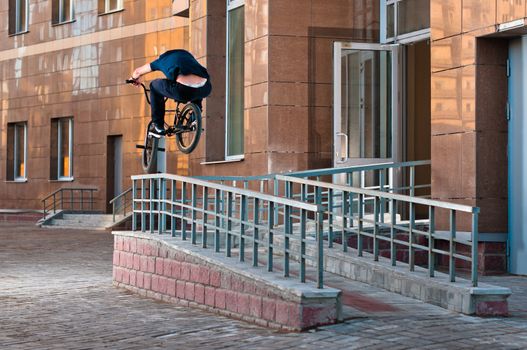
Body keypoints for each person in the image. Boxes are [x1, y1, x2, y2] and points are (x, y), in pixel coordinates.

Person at [129, 49, 212, 138]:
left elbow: (138, 72)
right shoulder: (187, 55)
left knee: (154, 86)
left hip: (182, 90)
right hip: (206, 88)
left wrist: (133, 79)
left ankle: (157, 126)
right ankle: (194, 118)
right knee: (196, 89)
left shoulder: (162, 60)